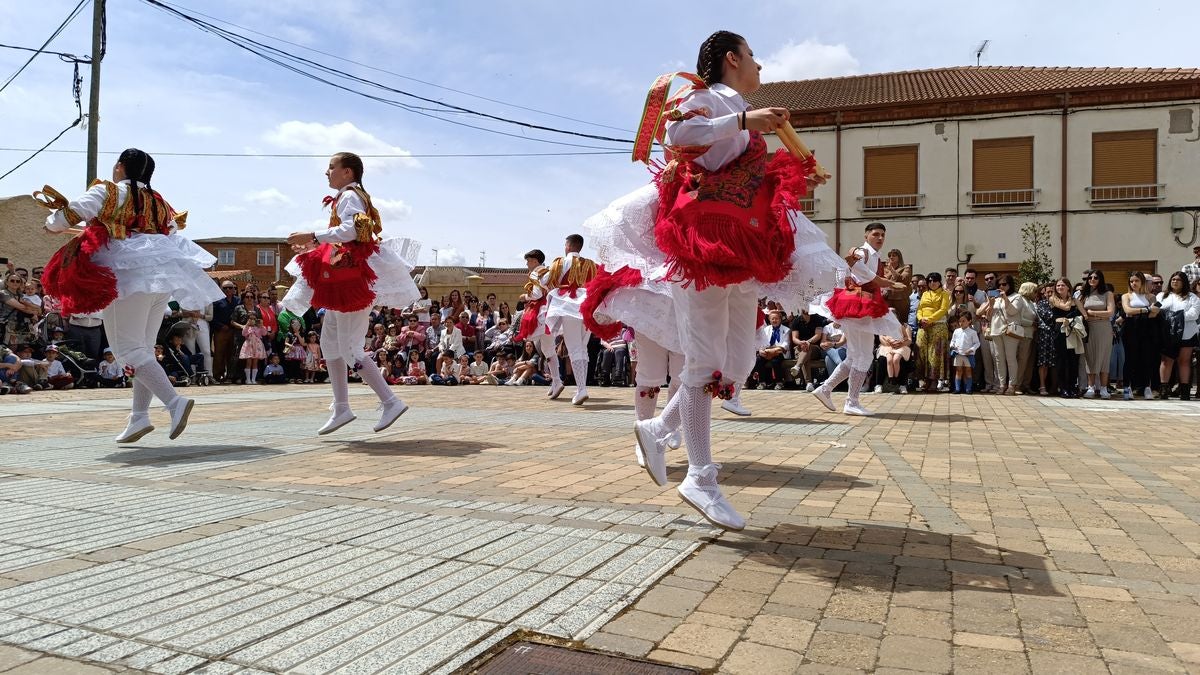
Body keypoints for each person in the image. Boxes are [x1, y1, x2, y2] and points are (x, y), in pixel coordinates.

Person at [622, 31, 842, 530]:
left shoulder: (740, 110)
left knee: (739, 362)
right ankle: (700, 477)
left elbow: (745, 174)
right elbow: (678, 136)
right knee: (704, 363)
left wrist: (794, 174)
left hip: (742, 244)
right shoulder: (703, 96)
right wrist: (744, 121)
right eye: (753, 56)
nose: (759, 65)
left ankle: (658, 429)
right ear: (731, 59)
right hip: (703, 239)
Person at [40, 148, 221, 442]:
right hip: (161, 278)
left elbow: (69, 215)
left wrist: (51, 224)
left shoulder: (108, 191)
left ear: (120, 166)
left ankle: (174, 402)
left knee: (127, 350)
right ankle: (138, 417)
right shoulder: (159, 201)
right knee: (143, 350)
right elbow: (172, 229)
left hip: (127, 277)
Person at [283, 152, 420, 434]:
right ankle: (341, 407)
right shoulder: (348, 196)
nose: (327, 172)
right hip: (343, 277)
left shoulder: (349, 195)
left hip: (350, 280)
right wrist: (314, 245)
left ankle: (390, 401)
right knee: (330, 342)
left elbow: (353, 231)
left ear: (347, 172)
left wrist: (312, 236)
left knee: (348, 347)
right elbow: (346, 237)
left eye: (332, 167)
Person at [813, 222, 906, 415]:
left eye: (882, 235)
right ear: (866, 236)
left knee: (855, 356)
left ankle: (826, 389)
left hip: (859, 306)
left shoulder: (873, 255)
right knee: (863, 356)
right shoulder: (863, 253)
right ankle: (851, 402)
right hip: (859, 306)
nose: (880, 238)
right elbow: (856, 266)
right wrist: (887, 282)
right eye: (875, 234)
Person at [542, 235, 598, 405]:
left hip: (569, 305)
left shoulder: (560, 262)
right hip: (587, 305)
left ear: (568, 246)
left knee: (574, 348)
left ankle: (582, 389)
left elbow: (545, 281)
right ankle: (582, 387)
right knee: (582, 348)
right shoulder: (591, 264)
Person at [516, 249, 566, 398]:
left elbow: (536, 294)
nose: (527, 264)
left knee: (547, 348)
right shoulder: (548, 272)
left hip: (541, 312)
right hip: (551, 309)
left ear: (535, 261)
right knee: (547, 348)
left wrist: (525, 296)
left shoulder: (536, 273)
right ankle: (556, 381)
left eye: (528, 261)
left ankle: (557, 381)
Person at [1157, 271, 1200, 400]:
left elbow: (1194, 314)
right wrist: (1175, 317)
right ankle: (1164, 389)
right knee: (1166, 361)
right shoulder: (1162, 296)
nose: (1175, 281)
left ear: (1184, 282)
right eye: (1173, 279)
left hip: (1187, 333)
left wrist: (1173, 317)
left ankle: (1185, 391)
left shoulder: (1192, 297)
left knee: (1184, 361)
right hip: (1168, 333)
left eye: (1178, 280)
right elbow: (1157, 310)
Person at [1080, 270, 1115, 398]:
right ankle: (1091, 387)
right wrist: (1095, 315)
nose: (1092, 279)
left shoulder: (1107, 293)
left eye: (1096, 277)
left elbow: (1110, 312)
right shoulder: (1085, 294)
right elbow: (1080, 310)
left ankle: (1104, 388)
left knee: (1104, 357)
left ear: (1101, 279)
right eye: (1090, 277)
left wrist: (1092, 313)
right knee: (1090, 357)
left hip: (1104, 328)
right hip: (1089, 328)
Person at [915, 272, 951, 393]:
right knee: (921, 351)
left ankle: (934, 380)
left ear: (939, 282)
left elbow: (943, 309)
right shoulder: (925, 294)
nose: (932, 283)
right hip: (923, 325)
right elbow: (919, 309)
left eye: (935, 281)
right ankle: (924, 379)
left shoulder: (944, 294)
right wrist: (921, 319)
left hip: (938, 325)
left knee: (934, 353)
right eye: (929, 281)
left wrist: (929, 320)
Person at [1050, 277, 1085, 398]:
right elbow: (1066, 307)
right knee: (1061, 360)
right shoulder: (1053, 299)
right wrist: (1072, 299)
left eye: (1062, 285)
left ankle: (1072, 387)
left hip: (1072, 330)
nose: (1060, 287)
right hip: (1060, 331)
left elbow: (1084, 314)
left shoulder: (1076, 300)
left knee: (1073, 360)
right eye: (1058, 285)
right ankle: (1063, 388)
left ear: (1068, 287)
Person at [1034, 283, 1058, 396]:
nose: (1049, 294)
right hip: (1044, 335)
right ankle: (1042, 386)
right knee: (1043, 362)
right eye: (1048, 292)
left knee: (1053, 362)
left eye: (1052, 292)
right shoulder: (1041, 303)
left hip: (1055, 334)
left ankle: (1054, 386)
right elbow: (1049, 316)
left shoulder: (1059, 303)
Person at [949, 313, 980, 394]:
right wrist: (952, 346)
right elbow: (953, 341)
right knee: (958, 371)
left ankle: (968, 389)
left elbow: (977, 343)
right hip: (958, 354)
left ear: (969, 321)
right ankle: (957, 388)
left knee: (968, 371)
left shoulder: (972, 332)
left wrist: (971, 349)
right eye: (960, 321)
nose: (961, 323)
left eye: (963, 321)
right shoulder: (956, 331)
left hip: (968, 355)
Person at [239, 317, 267, 384]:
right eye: (250, 319)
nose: (252, 321)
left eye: (254, 319)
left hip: (257, 346)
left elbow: (264, 333)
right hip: (249, 346)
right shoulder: (247, 327)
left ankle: (253, 379)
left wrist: (262, 325)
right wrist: (247, 325)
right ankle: (248, 379)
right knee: (248, 362)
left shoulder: (259, 327)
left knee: (255, 362)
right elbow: (243, 334)